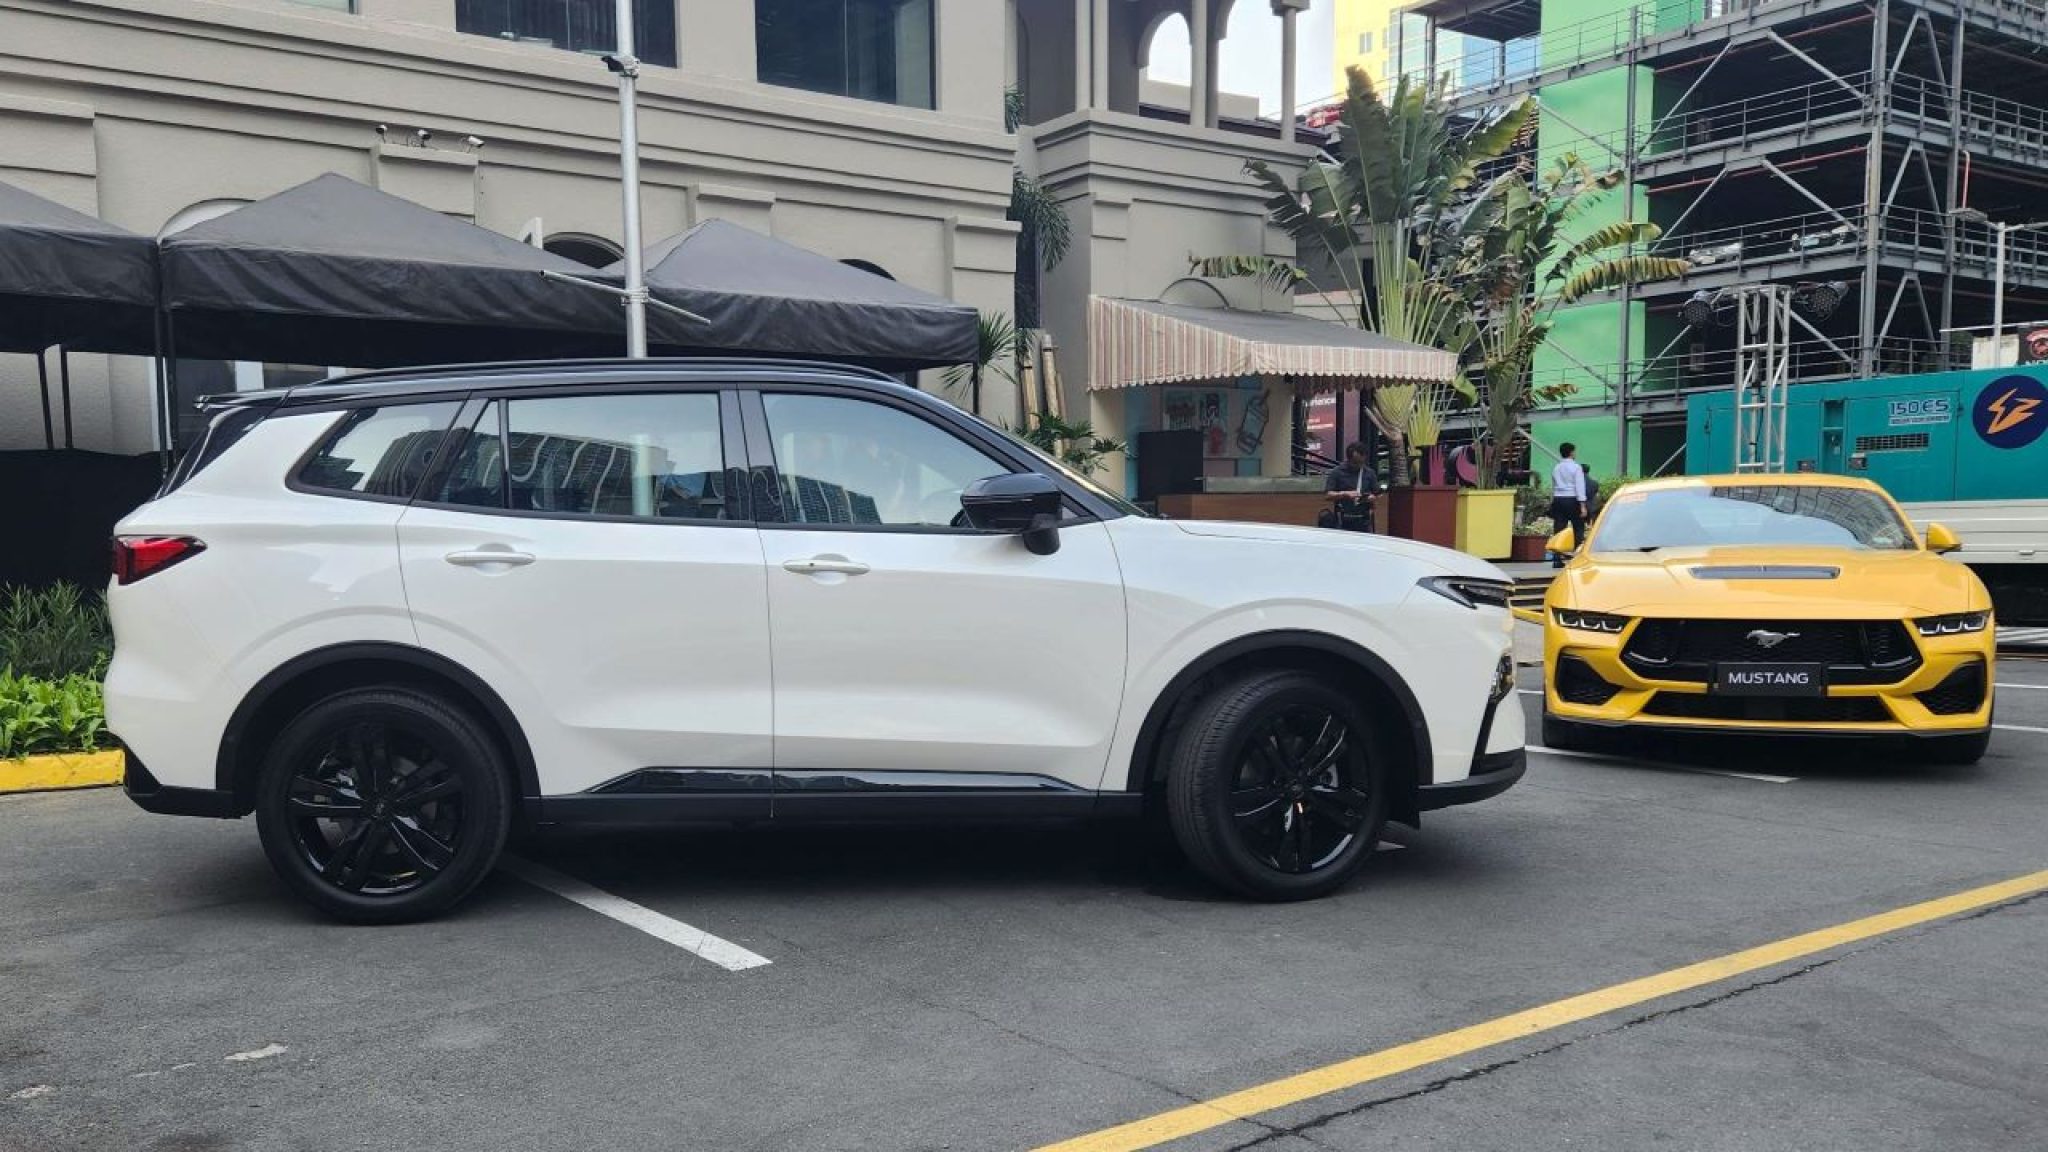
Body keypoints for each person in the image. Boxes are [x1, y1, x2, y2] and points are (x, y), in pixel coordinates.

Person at [1322, 441, 1378, 532]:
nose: (1359, 465)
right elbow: (1328, 495)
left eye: (1362, 462)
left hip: (1364, 519)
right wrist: (1345, 494)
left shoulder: (1369, 473)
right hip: (1343, 519)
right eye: (1356, 463)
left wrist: (1371, 497)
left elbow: (1375, 492)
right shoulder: (1337, 472)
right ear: (1349, 459)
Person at [1549, 442, 1589, 567]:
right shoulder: (1576, 467)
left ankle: (1557, 559)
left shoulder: (1556, 467)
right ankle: (1577, 558)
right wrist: (1582, 505)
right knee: (1578, 528)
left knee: (1559, 528)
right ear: (1571, 452)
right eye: (1574, 451)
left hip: (1559, 499)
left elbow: (1554, 486)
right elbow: (1579, 487)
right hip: (1572, 499)